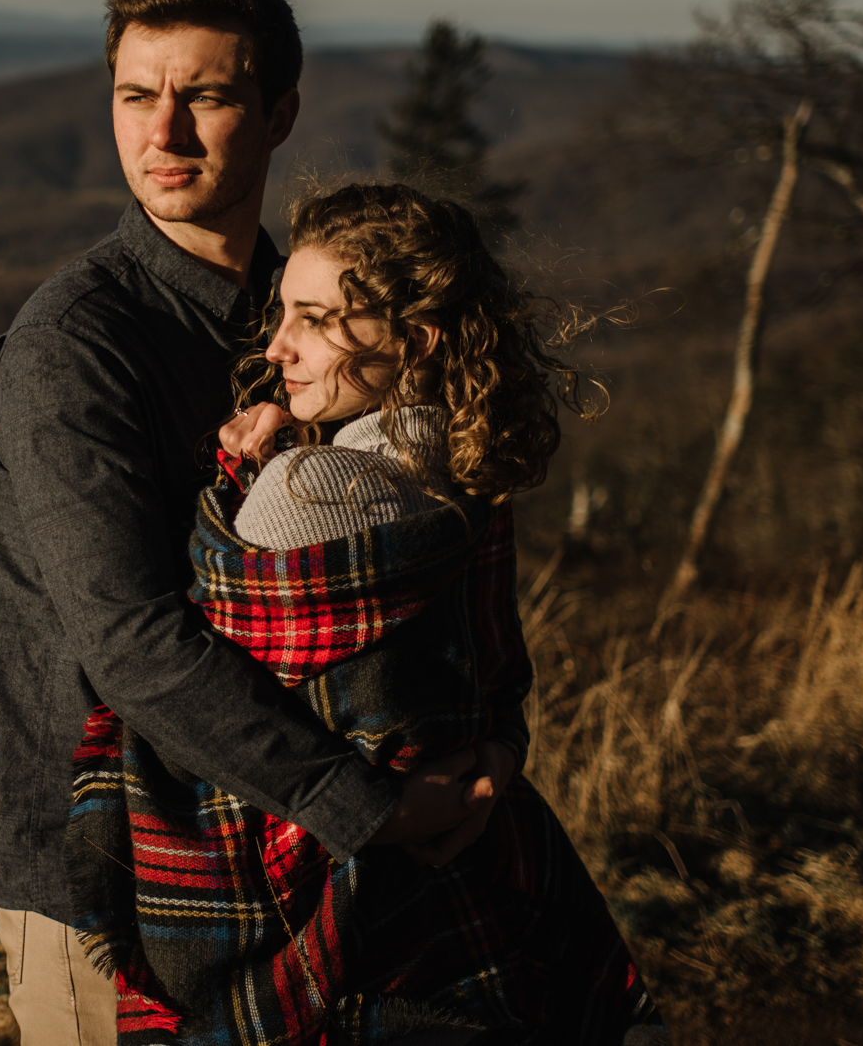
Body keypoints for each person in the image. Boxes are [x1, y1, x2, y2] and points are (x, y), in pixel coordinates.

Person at [0, 0, 502, 1046]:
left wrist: (483, 752)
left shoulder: (318, 306)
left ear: (278, 112)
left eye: (205, 95)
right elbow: (128, 639)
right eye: (135, 95)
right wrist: (368, 808)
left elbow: (447, 533)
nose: (161, 133)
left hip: (315, 865)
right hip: (117, 878)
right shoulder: (74, 345)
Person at [66, 182, 667, 1045]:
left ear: (412, 339)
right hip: (466, 876)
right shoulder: (468, 474)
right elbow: (486, 663)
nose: (277, 346)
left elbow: (192, 672)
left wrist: (251, 478)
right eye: (283, 312)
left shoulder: (303, 489)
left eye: (316, 317)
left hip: (313, 904)